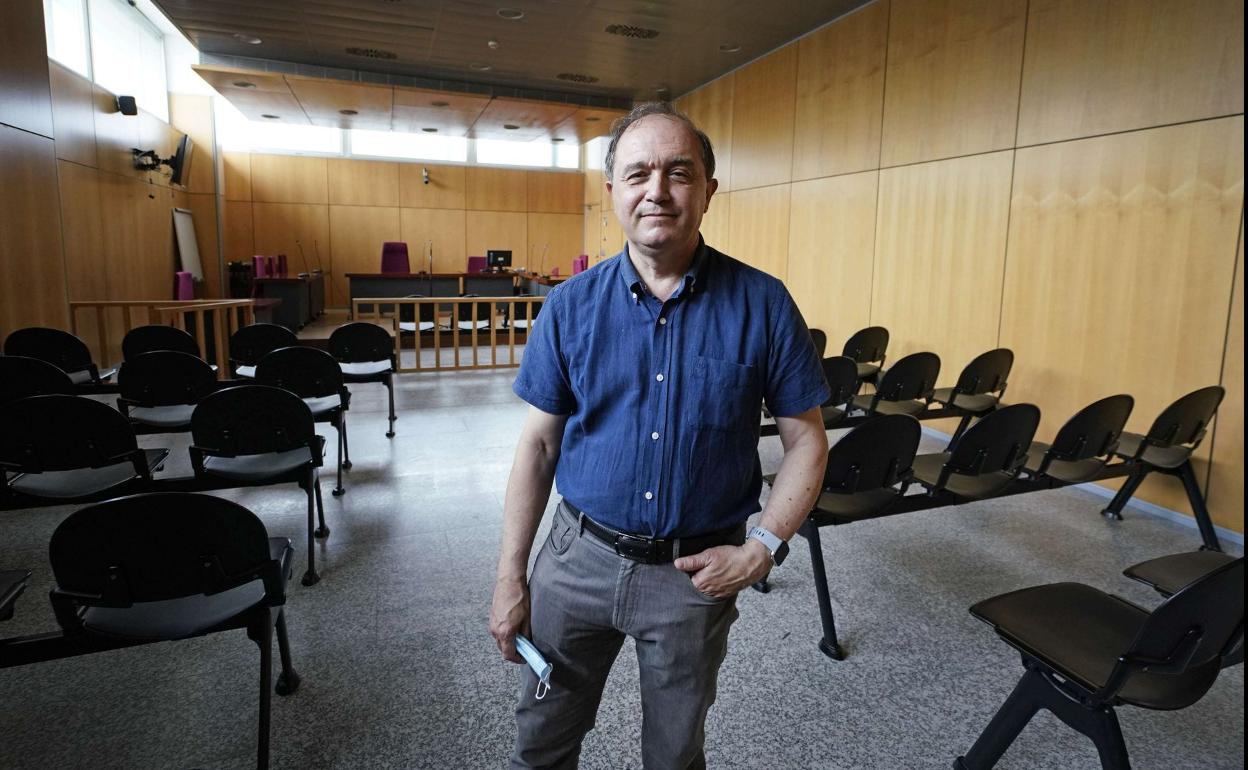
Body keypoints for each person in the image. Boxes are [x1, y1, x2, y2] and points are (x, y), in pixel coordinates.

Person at [489, 101, 830, 770]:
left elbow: (807, 442)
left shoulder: (764, 304)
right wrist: (509, 576)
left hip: (692, 577)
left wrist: (762, 548)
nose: (657, 190)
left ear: (707, 189)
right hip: (575, 562)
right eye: (638, 173)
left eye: (679, 172)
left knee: (674, 754)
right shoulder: (569, 306)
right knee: (542, 741)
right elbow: (538, 447)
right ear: (612, 190)